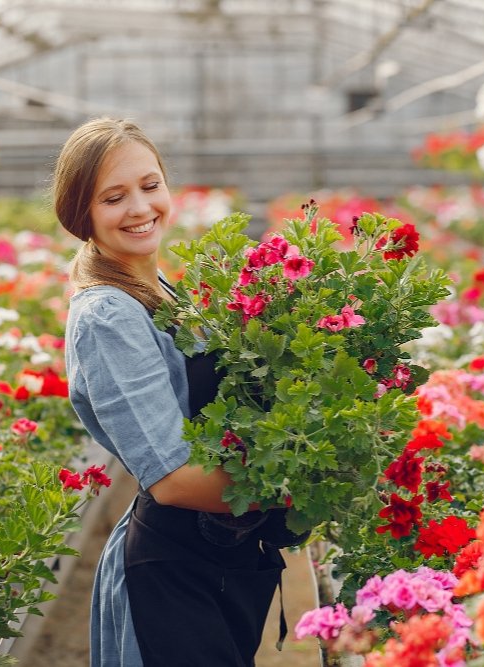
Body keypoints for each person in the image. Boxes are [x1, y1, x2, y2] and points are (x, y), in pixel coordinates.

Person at [55, 117, 290, 667]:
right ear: (81, 215)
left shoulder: (156, 287)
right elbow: (174, 479)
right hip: (171, 575)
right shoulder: (108, 314)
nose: (140, 208)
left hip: (212, 557)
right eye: (113, 197)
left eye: (150, 185)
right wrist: (303, 488)